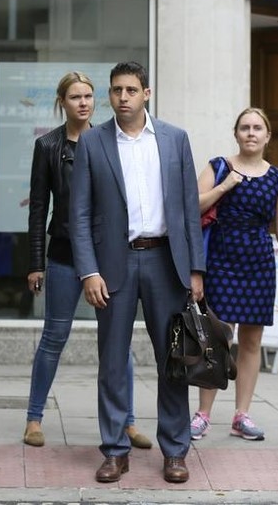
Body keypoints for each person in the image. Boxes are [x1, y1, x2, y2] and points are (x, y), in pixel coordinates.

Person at [69, 61, 204, 484]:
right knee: (111, 360)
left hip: (167, 262)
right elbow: (79, 214)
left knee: (175, 359)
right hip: (113, 265)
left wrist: (196, 270)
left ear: (146, 93)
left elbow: (188, 211)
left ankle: (175, 451)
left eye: (130, 90)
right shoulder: (93, 143)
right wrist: (88, 271)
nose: (122, 97)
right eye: (115, 90)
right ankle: (114, 451)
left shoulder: (175, 139)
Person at [24, 71, 151, 451]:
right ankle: (34, 418)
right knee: (54, 337)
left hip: (110, 256)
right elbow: (37, 208)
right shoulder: (47, 145)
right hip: (64, 254)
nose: (83, 102)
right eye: (75, 97)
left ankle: (127, 421)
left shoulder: (110, 140)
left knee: (118, 343)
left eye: (89, 96)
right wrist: (35, 262)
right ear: (62, 102)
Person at [190, 107, 278, 442]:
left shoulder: (277, 178)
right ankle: (203, 414)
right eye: (244, 128)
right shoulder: (219, 166)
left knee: (251, 342)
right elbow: (193, 205)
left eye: (257, 128)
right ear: (236, 133)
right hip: (221, 261)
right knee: (217, 337)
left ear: (268, 136)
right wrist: (225, 186)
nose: (251, 133)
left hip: (258, 265)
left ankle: (242, 415)